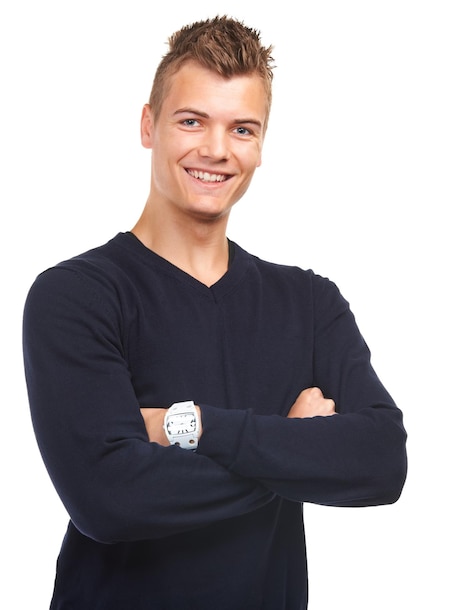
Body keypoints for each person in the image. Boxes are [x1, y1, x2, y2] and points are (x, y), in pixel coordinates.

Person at [22, 15, 408, 610]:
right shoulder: (76, 296)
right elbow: (108, 498)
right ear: (149, 125)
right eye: (192, 120)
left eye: (242, 128)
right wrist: (297, 446)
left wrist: (192, 427)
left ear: (261, 145)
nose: (216, 150)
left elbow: (381, 461)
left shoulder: (309, 302)